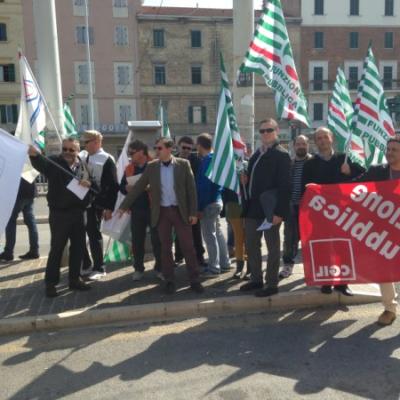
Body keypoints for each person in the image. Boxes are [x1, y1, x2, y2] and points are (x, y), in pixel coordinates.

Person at [118, 137, 204, 295]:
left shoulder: (183, 165)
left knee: (188, 247)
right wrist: (124, 207)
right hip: (162, 212)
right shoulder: (152, 167)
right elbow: (138, 188)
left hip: (180, 211)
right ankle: (169, 280)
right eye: (156, 148)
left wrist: (193, 212)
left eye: (159, 148)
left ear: (169, 149)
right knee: (165, 248)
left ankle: (194, 280)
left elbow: (191, 190)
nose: (156, 151)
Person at [302, 126, 365, 296]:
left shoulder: (344, 159)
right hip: (319, 213)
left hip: (343, 213)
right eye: (319, 138)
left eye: (325, 137)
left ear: (332, 139)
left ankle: (342, 283)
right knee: (323, 249)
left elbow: (364, 177)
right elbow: (304, 188)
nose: (322, 140)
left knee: (343, 248)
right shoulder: (310, 164)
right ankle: (325, 282)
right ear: (315, 142)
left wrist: (350, 171)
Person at [29, 138, 92, 297]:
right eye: (65, 148)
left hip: (78, 213)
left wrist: (88, 184)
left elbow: (94, 186)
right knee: (56, 249)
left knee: (78, 248)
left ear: (78, 150)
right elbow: (40, 164)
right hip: (60, 214)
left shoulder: (83, 166)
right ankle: (50, 284)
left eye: (71, 150)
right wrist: (34, 156)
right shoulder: (54, 162)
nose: (67, 152)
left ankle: (74, 279)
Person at [240, 118, 291, 297]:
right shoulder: (257, 153)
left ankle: (271, 284)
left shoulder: (282, 154)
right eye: (262, 131)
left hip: (270, 209)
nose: (265, 134)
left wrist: (279, 213)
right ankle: (256, 279)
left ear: (276, 131)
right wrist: (245, 181)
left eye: (268, 130)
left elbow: (286, 187)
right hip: (253, 208)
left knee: (272, 247)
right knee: (252, 245)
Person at [356, 136, 400, 326]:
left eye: (394, 150)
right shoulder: (377, 171)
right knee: (385, 270)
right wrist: (320, 189)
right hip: (383, 230)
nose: (389, 153)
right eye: (388, 149)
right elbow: (351, 187)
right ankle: (390, 308)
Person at [119, 140, 162, 281]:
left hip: (153, 208)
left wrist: (150, 187)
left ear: (142, 152)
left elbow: (163, 185)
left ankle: (160, 268)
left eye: (132, 153)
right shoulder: (129, 168)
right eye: (129, 153)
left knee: (158, 240)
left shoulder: (155, 164)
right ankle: (138, 269)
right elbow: (122, 187)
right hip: (137, 210)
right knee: (137, 241)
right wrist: (126, 188)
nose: (130, 156)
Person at [80, 130, 119, 280]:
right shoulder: (83, 156)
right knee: (78, 235)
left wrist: (109, 207)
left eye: (87, 141)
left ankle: (99, 267)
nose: (85, 144)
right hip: (81, 203)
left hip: (96, 204)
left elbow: (113, 186)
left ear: (96, 142)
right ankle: (86, 264)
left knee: (94, 234)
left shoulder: (107, 159)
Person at [196, 133, 231, 276]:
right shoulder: (216, 159)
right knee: (218, 234)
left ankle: (214, 267)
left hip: (208, 203)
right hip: (217, 200)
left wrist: (199, 207)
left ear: (199, 145)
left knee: (210, 236)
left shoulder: (207, 161)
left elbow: (204, 186)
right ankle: (225, 263)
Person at [279, 135, 311, 279]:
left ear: (307, 145)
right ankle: (287, 265)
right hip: (292, 206)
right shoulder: (288, 163)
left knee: (309, 239)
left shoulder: (313, 163)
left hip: (310, 208)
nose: (301, 146)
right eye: (298, 144)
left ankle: (312, 268)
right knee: (289, 238)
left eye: (303, 144)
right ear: (294, 146)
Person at [174, 136, 206, 266]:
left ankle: (199, 256)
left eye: (189, 148)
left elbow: (199, 184)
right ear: (178, 146)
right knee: (178, 230)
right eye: (184, 147)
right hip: (176, 201)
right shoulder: (172, 160)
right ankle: (179, 256)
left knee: (196, 231)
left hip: (192, 201)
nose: (186, 150)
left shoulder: (197, 161)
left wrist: (199, 206)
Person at [0, 178, 39, 262]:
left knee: (11, 221)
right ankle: (34, 250)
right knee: (31, 222)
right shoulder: (29, 164)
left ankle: (8, 252)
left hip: (18, 193)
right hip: (30, 191)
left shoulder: (15, 164)